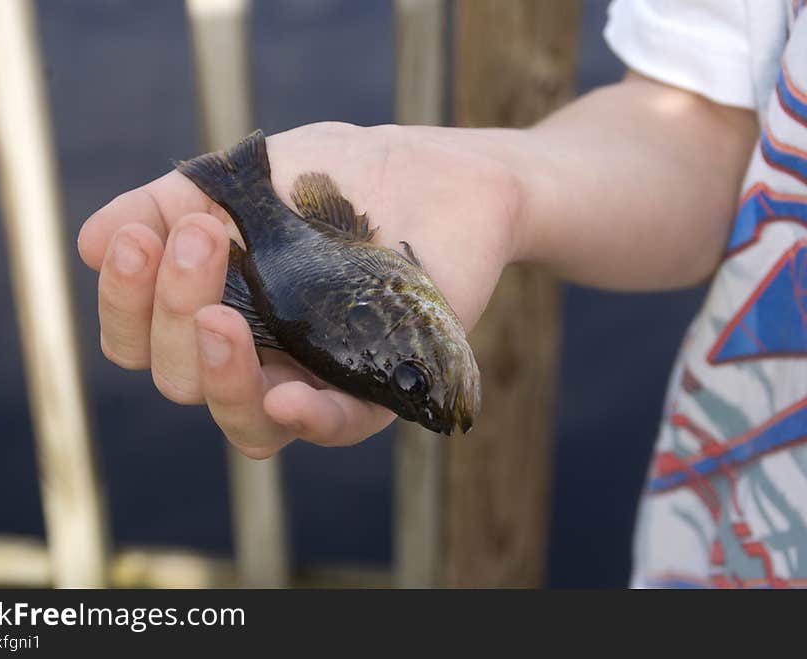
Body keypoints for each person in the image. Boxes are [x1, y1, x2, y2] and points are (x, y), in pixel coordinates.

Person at [77, 0, 807, 587]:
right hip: (730, 547)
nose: (427, 389)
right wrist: (504, 180)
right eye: (411, 380)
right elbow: (711, 127)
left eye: (412, 379)